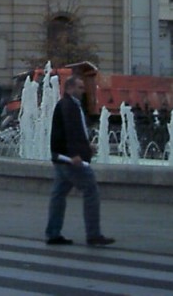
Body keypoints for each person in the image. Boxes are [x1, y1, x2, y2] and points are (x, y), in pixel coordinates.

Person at [45, 74, 115, 247]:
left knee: (58, 195)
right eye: (80, 87)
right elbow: (70, 130)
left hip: (62, 157)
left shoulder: (72, 105)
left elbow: (77, 131)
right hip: (69, 160)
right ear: (69, 88)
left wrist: (86, 147)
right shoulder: (68, 105)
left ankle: (53, 234)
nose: (83, 91)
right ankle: (93, 235)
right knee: (91, 191)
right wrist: (75, 154)